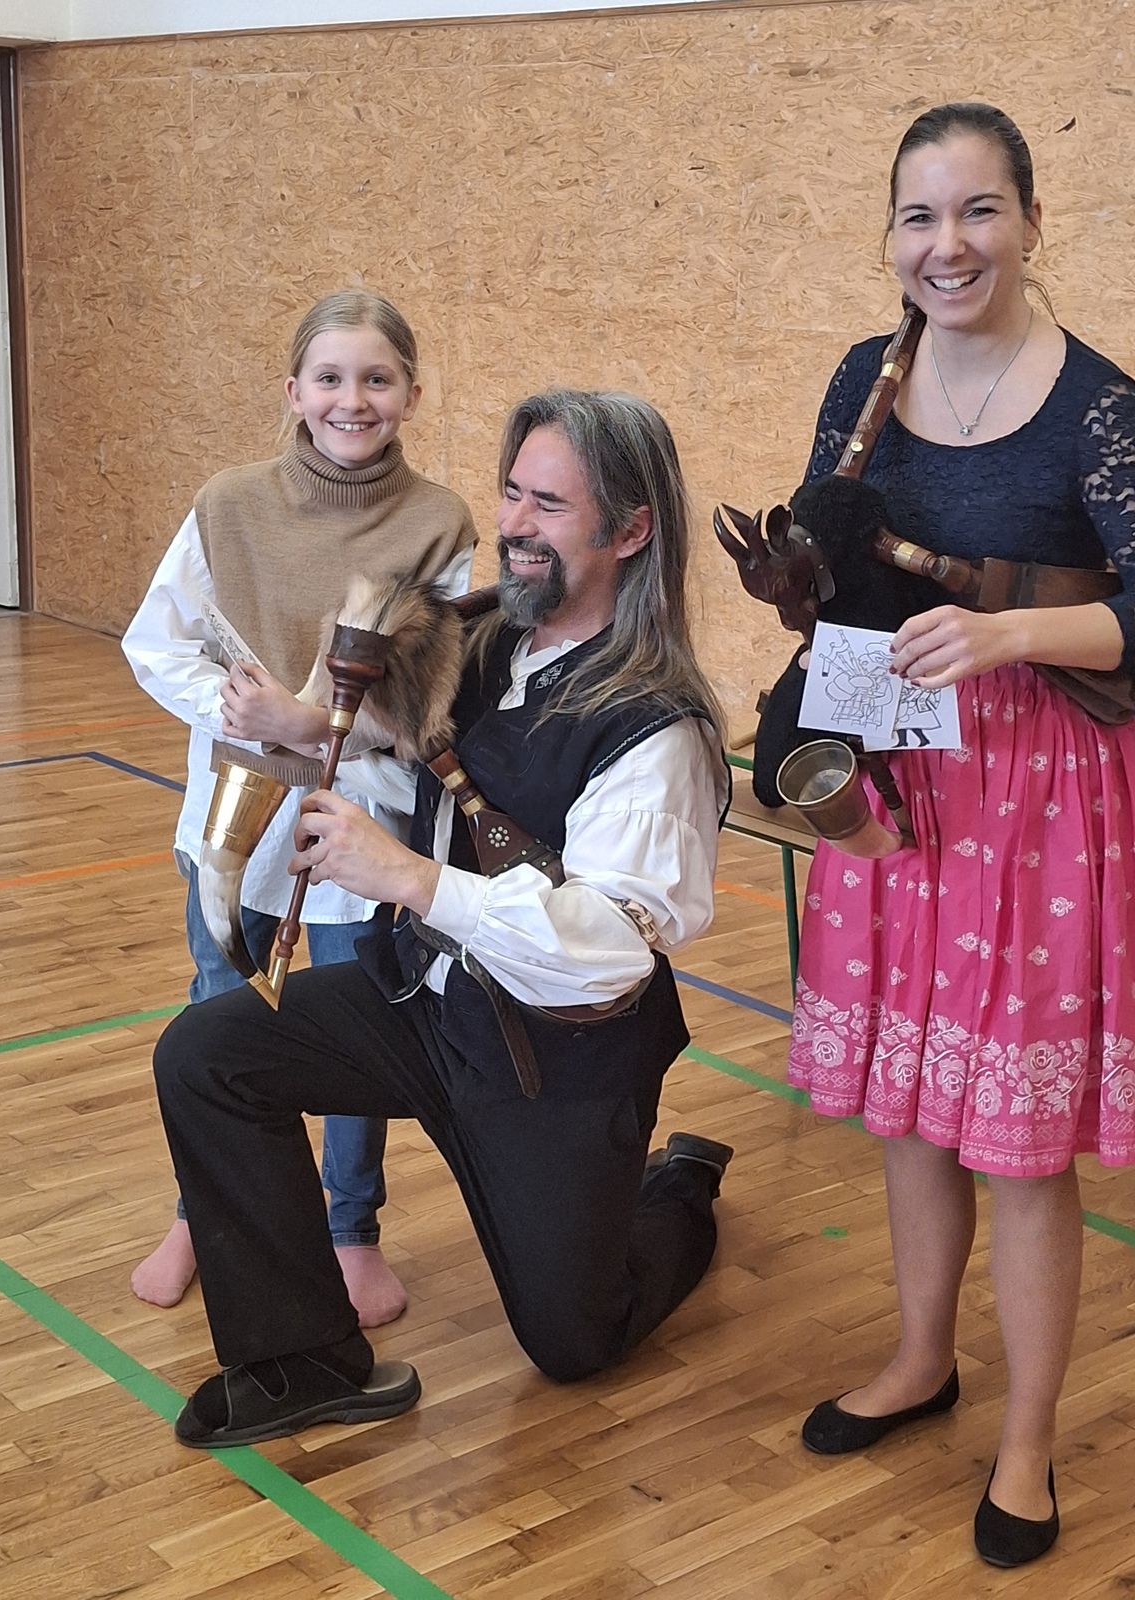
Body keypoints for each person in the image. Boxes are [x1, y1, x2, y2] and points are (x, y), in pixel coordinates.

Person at [151, 387, 733, 1448]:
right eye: (511, 493)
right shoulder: (489, 643)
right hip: (430, 1008)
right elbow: (422, 771)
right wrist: (309, 734)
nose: (512, 524)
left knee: (575, 1340)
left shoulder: (657, 731)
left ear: (631, 531)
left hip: (554, 1064)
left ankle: (682, 1186)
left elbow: (607, 953)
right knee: (207, 1054)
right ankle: (301, 1359)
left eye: (549, 504)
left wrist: (410, 879)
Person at [787, 103, 1135, 1568]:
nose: (950, 245)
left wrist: (1008, 634)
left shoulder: (1101, 406)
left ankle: (1029, 1444)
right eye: (920, 217)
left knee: (1018, 1145)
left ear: (1034, 223)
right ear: (891, 236)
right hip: (898, 766)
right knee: (912, 1103)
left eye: (980, 210)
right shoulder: (865, 374)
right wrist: (801, 582)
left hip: (1039, 792)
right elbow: (834, 563)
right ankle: (922, 1359)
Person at [122, 289, 477, 1324]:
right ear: (293, 390)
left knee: (353, 1020)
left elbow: (429, 706)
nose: (351, 400)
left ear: (411, 393)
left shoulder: (440, 523)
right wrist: (243, 716)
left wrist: (310, 723)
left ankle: (349, 1226)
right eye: (329, 377)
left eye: (376, 378)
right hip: (232, 816)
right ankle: (202, 1212)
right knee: (218, 1007)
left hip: (364, 820)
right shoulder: (228, 503)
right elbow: (157, 642)